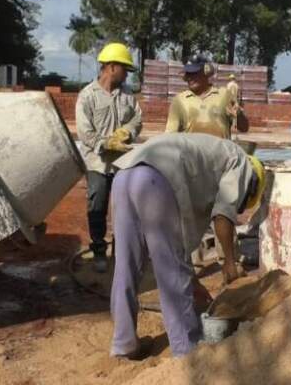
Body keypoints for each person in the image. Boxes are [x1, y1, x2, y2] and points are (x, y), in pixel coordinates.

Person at [108, 133, 265, 358]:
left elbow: (180, 242)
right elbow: (223, 216)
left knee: (126, 264)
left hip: (124, 176)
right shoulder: (241, 162)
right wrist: (230, 264)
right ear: (252, 184)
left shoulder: (208, 161)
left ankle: (123, 344)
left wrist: (193, 282)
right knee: (170, 272)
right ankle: (186, 353)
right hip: (155, 181)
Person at [75, 42, 142, 273]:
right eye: (125, 69)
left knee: (126, 208)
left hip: (123, 164)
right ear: (112, 67)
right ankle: (99, 251)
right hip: (98, 164)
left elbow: (137, 119)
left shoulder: (127, 96)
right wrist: (105, 143)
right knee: (97, 206)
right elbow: (85, 133)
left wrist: (128, 132)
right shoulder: (87, 96)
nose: (127, 75)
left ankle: (122, 251)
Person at [165, 54, 248, 139]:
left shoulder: (225, 95)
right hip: (191, 152)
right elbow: (170, 136)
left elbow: (244, 128)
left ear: (206, 72)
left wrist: (239, 114)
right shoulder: (179, 100)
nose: (190, 78)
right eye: (188, 74)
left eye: (194, 73)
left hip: (220, 152)